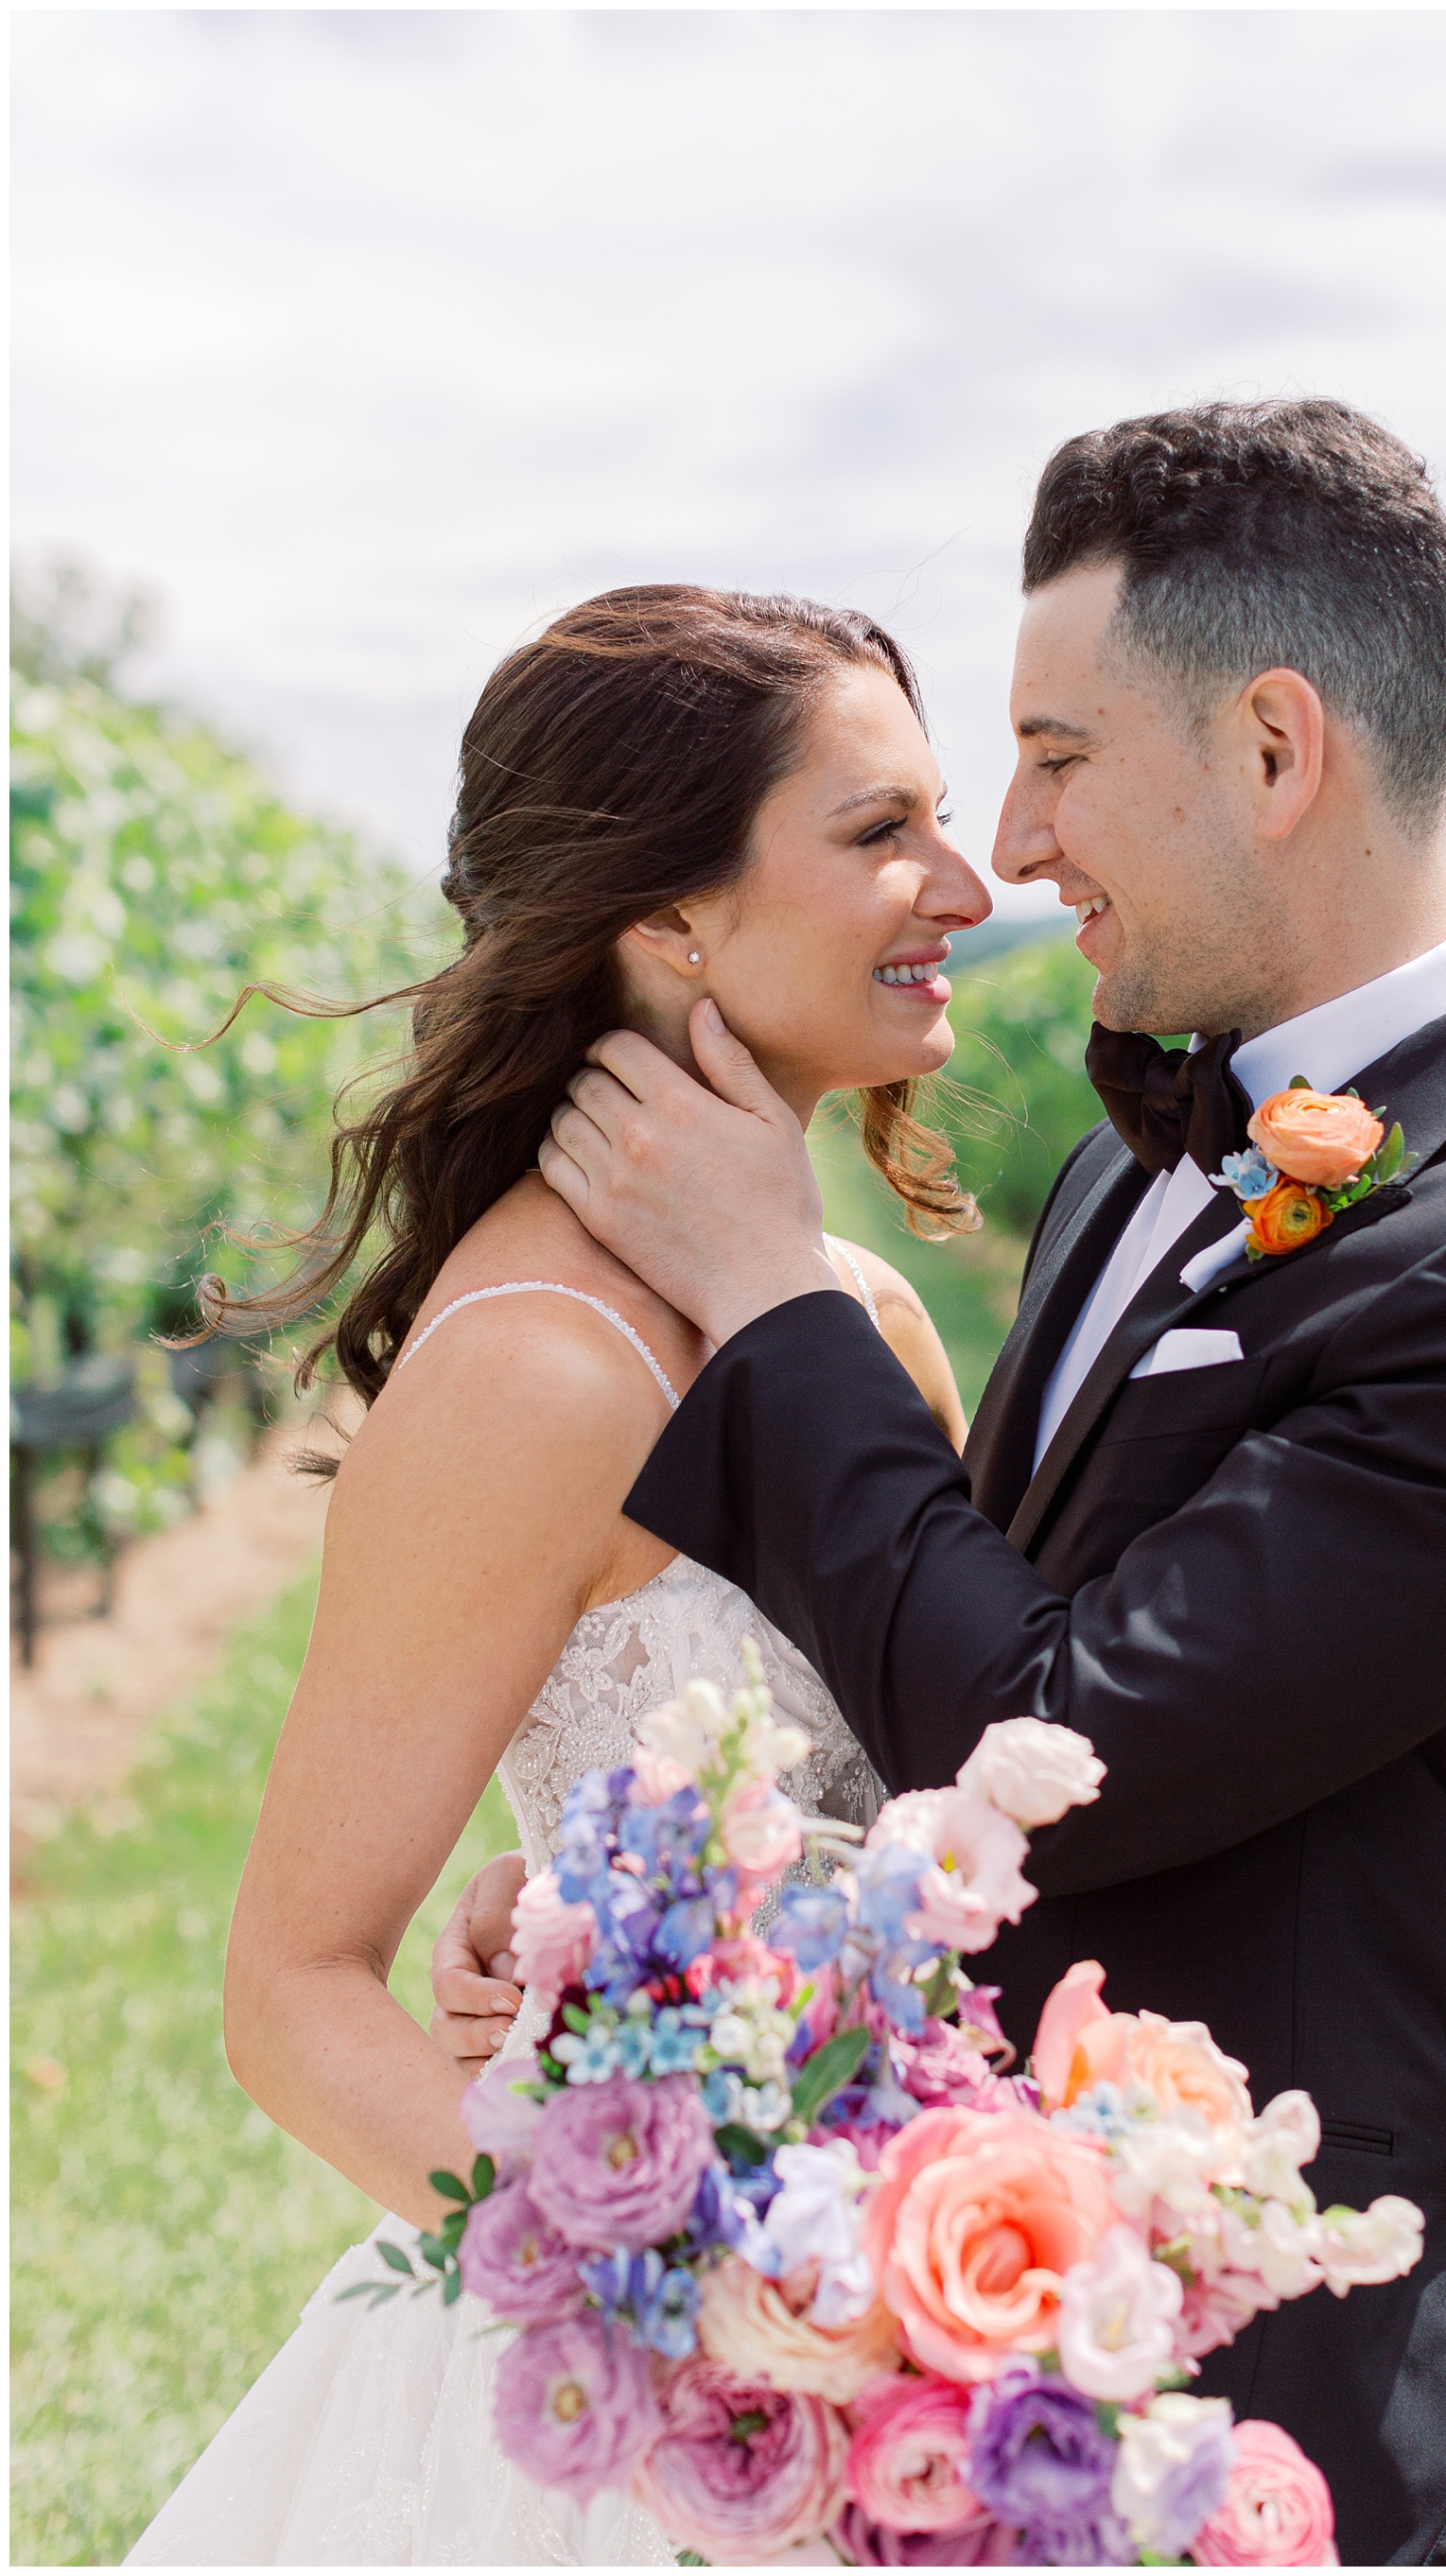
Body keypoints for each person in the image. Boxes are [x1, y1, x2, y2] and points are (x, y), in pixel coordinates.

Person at [493, 402, 1446, 2565]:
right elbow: (937, 1649)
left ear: (1271, 750)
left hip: (1300, 2412)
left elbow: (1043, 1744)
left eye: (1057, 756)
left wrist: (767, 1289)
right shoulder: (1132, 1160)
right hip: (984, 2336)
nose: (1013, 841)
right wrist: (643, 1936)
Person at [126, 584, 986, 2565]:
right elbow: (292, 1993)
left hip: (904, 2292)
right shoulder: (539, 1368)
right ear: (669, 916)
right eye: (882, 831)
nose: (962, 885)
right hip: (648, 2389)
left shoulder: (864, 1320)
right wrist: (698, 2324)